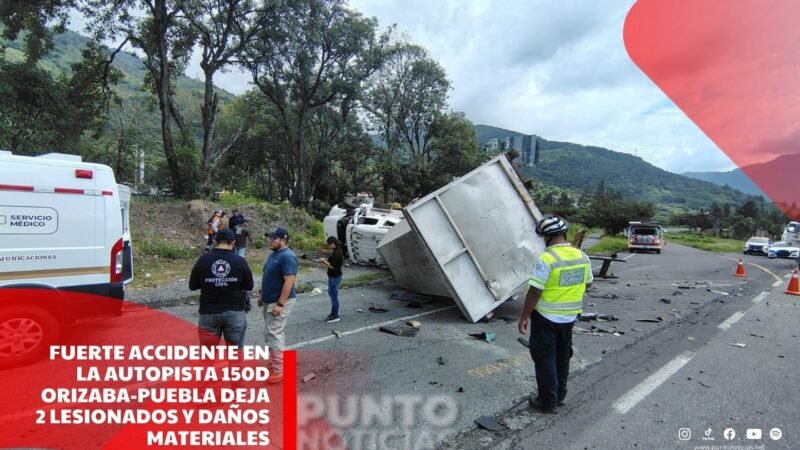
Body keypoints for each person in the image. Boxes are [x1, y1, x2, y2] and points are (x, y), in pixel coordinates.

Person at [518, 215, 592, 414]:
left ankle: (547, 401)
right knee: (562, 356)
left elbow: (535, 291)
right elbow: (588, 283)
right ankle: (560, 396)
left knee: (544, 358)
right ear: (564, 234)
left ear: (545, 237)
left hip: (546, 317)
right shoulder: (581, 256)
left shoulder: (547, 259)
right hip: (570, 318)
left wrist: (524, 316)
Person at [189, 228, 254, 348]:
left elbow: (192, 286)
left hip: (208, 312)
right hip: (235, 313)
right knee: (235, 355)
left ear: (215, 241)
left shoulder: (203, 260)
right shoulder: (240, 261)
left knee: (208, 355)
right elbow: (249, 286)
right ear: (233, 243)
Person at [259, 227, 297, 384]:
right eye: (270, 237)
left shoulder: (287, 257)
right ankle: (277, 361)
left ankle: (279, 370)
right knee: (274, 333)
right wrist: (263, 295)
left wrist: (280, 303)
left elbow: (289, 280)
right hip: (270, 299)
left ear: (283, 239)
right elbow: (269, 276)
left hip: (279, 301)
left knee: (273, 333)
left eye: (273, 238)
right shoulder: (274, 254)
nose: (270, 240)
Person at [319, 236, 344, 323]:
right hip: (334, 276)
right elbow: (331, 260)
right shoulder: (336, 251)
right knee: (331, 293)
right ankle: (334, 311)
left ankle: (335, 315)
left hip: (335, 277)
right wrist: (326, 260)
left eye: (329, 244)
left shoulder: (337, 253)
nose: (329, 246)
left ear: (333, 243)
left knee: (333, 297)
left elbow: (332, 266)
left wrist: (323, 261)